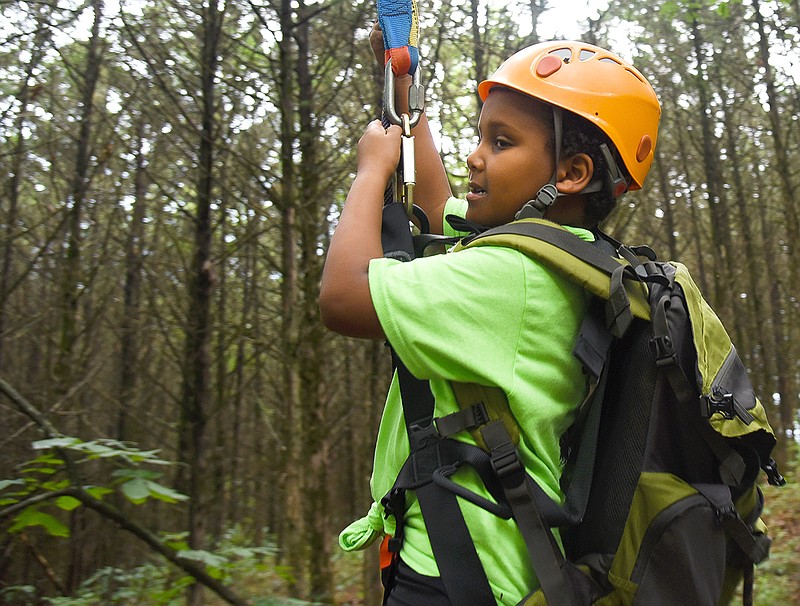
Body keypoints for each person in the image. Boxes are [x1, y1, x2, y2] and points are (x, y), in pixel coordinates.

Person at [319, 31, 661, 605]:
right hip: (487, 563)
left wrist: (370, 170)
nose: (475, 157)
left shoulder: (514, 276)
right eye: (481, 135)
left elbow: (343, 296)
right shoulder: (560, 256)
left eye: (500, 142)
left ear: (572, 173)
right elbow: (432, 207)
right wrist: (405, 93)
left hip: (454, 573)